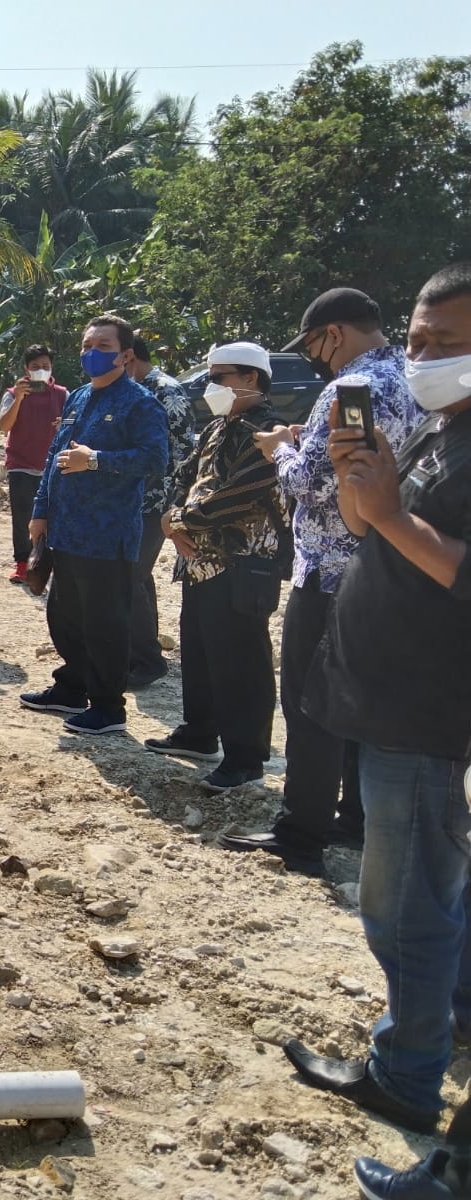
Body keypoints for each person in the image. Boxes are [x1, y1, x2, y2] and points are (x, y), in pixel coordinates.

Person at [282, 263, 471, 1134]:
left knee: (403, 910)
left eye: (446, 345)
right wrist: (363, 484)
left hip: (426, 711)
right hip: (388, 696)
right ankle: (437, 1028)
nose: (423, 359)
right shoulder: (441, 428)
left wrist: (390, 512)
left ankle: (405, 1073)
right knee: (432, 896)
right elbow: (370, 530)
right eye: (419, 340)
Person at [220, 287, 423, 873]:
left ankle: (301, 833)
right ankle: (355, 820)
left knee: (311, 706)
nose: (315, 357)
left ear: (334, 333)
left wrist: (279, 448)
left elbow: (314, 481)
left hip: (334, 573)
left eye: (313, 344)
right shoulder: (417, 383)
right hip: (398, 569)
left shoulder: (350, 391)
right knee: (364, 701)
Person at [144, 342, 289, 790]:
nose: (212, 386)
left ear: (251, 379)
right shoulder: (218, 428)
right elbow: (184, 474)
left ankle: (246, 757)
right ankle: (200, 732)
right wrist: (169, 517)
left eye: (220, 377)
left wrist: (179, 520)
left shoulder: (267, 431)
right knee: (202, 651)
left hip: (244, 564)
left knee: (241, 661)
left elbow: (241, 491)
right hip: (200, 563)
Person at [20, 314, 168, 736]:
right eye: (86, 345)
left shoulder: (140, 403)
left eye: (102, 346)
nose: (91, 353)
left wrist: (99, 460)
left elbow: (156, 460)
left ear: (125, 355)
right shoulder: (78, 398)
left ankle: (108, 707)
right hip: (65, 531)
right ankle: (72, 688)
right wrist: (41, 509)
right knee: (65, 617)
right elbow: (55, 456)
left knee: (105, 624)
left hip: (108, 536)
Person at [127, 335, 194, 686]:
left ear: (130, 357)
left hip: (157, 501)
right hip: (135, 498)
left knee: (131, 576)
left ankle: (147, 661)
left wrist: (177, 505)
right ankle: (141, 651)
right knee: (137, 576)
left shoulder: (166, 391)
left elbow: (184, 452)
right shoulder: (135, 390)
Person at [0, 344, 68, 584]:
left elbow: (73, 425)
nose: (41, 370)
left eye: (46, 367)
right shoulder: (11, 394)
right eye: (36, 367)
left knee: (54, 517)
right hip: (20, 464)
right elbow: (5, 426)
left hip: (52, 466)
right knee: (22, 517)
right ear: (26, 369)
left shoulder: (63, 394)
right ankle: (22, 563)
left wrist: (64, 426)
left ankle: (49, 564)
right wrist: (18, 398)